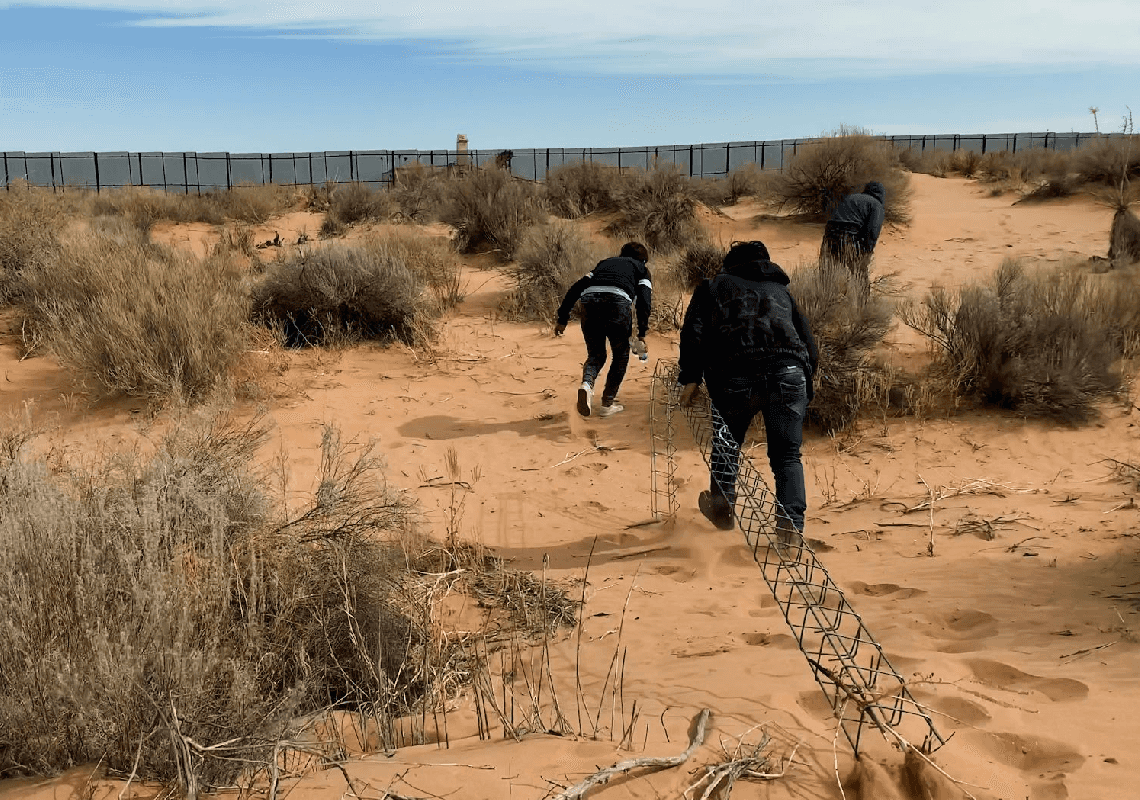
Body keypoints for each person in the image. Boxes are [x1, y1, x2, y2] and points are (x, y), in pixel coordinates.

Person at [677, 240, 818, 554]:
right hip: (789, 373)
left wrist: (690, 378)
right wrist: (806, 381)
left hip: (735, 374)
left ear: (730, 265)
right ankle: (790, 530)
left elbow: (694, 333)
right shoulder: (782, 292)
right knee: (786, 457)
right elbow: (808, 342)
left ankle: (722, 510)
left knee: (727, 443)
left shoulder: (712, 288)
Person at [555, 242, 652, 418]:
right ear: (643, 260)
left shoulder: (604, 264)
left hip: (589, 303)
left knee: (596, 355)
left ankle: (586, 385)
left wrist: (563, 318)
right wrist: (642, 333)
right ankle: (607, 403)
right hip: (617, 304)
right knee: (620, 355)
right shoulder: (641, 269)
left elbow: (577, 288)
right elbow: (644, 301)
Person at [819, 181, 887, 291]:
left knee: (827, 272)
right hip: (848, 236)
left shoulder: (851, 197)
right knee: (859, 273)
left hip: (829, 235)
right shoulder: (876, 205)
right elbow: (873, 231)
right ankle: (862, 304)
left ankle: (825, 299)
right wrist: (866, 252)